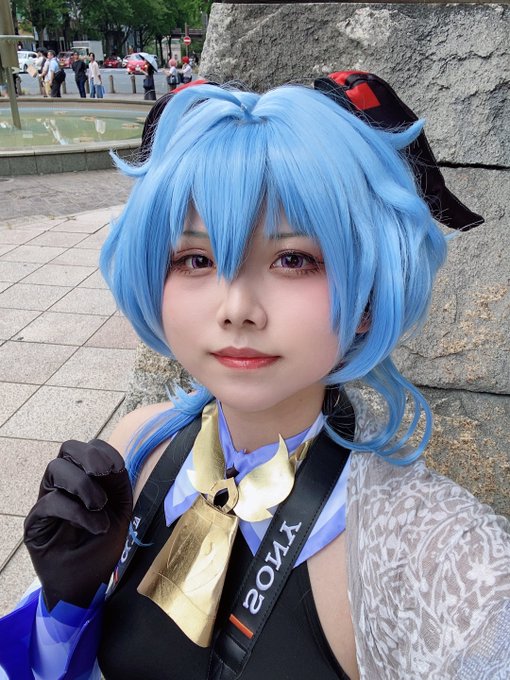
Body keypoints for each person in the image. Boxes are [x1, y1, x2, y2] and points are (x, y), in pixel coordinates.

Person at [0, 76, 509, 680]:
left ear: (368, 293)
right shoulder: (138, 447)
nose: (236, 308)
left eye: (293, 259)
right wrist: (65, 606)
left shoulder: (434, 553)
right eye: (196, 259)